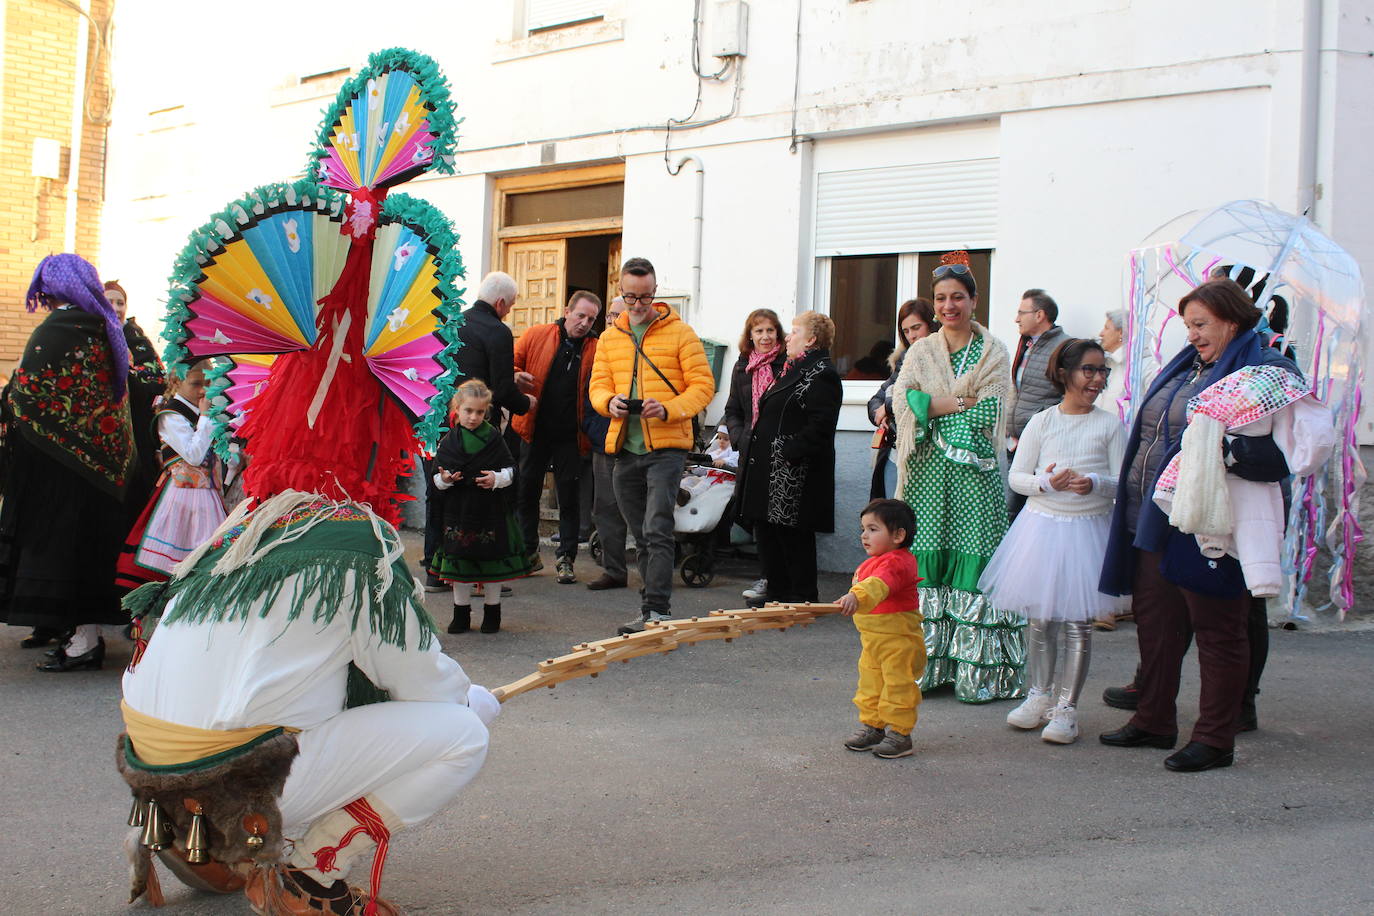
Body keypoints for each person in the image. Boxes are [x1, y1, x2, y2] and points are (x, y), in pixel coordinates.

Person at [1097, 279, 1330, 772]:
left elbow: (1291, 456)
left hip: (1212, 521)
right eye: (1188, 325)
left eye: (1201, 325)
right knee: (1157, 625)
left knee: (1219, 631)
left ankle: (1215, 737)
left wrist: (1228, 451)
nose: (1193, 335)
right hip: (1155, 514)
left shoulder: (1268, 373)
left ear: (1233, 320)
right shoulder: (1189, 366)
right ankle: (1154, 719)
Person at [891, 251, 1022, 703]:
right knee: (928, 561)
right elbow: (903, 400)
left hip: (974, 476)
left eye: (958, 298)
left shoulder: (994, 351)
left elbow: (995, 406)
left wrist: (936, 403)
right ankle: (925, 671)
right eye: (942, 299)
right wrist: (956, 402)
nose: (949, 306)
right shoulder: (920, 351)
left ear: (974, 300)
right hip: (927, 476)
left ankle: (977, 676)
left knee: (972, 558)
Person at [980, 339, 1125, 744]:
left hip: (1086, 530)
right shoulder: (1043, 422)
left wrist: (1094, 482)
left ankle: (1067, 708)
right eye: (1089, 371)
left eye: (1103, 372)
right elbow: (1016, 477)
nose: (1097, 379)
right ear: (1065, 374)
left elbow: (1121, 483)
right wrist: (1046, 482)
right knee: (1040, 619)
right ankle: (1038, 695)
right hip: (1042, 528)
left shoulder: (1109, 425)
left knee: (1078, 622)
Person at [0, 254, 135, 668]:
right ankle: (84, 637)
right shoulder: (104, 325)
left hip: (62, 471)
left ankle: (83, 643)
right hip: (104, 470)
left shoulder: (60, 327)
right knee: (90, 554)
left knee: (65, 554)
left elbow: (27, 393)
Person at [589, 257, 715, 633]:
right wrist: (607, 402)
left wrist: (668, 409)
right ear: (621, 294)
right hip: (625, 447)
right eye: (630, 297)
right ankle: (651, 609)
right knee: (641, 534)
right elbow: (597, 386)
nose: (638, 305)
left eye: (644, 297)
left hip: (666, 447)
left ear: (655, 292)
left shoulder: (681, 333)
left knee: (657, 527)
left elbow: (703, 387)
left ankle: (656, 610)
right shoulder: (610, 338)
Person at [431, 271, 535, 581]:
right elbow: (500, 389)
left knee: (442, 491)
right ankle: (484, 571)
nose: (509, 310)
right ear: (501, 302)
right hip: (479, 425)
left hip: (445, 421)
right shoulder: (498, 330)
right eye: (511, 305)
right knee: (485, 494)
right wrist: (525, 404)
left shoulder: (454, 322)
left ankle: (436, 570)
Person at [737, 310, 842, 605]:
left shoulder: (822, 373)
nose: (786, 337)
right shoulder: (793, 368)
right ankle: (778, 591)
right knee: (769, 533)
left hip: (793, 474)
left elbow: (821, 424)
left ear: (810, 339)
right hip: (772, 469)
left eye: (794, 331)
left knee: (793, 537)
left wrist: (788, 452)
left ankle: (801, 597)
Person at [428, 379, 532, 634]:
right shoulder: (449, 441)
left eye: (479, 412)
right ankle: (460, 614)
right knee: (459, 565)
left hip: (490, 512)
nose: (473, 417)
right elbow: (436, 479)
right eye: (468, 411)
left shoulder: (494, 438)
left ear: (486, 412)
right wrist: (445, 479)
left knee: (491, 565)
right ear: (457, 409)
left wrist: (496, 479)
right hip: (458, 513)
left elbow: (511, 469)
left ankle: (492, 612)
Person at [511, 291, 601, 585]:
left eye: (591, 318)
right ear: (567, 311)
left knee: (569, 498)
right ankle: (527, 553)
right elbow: (511, 364)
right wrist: (515, 376)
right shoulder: (536, 334)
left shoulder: (597, 348)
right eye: (580, 316)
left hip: (571, 436)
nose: (584, 322)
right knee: (527, 492)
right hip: (534, 429)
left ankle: (566, 558)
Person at [115, 363, 228, 590]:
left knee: (211, 559)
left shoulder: (204, 413)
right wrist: (206, 419)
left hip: (208, 497)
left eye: (208, 383)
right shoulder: (170, 415)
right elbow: (194, 456)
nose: (203, 390)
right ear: (177, 383)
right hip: (181, 496)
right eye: (196, 384)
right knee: (177, 562)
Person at [837, 498, 926, 760]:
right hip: (873, 641)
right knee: (870, 684)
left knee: (898, 686)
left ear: (899, 535)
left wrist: (857, 596)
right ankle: (873, 727)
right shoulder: (872, 561)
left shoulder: (899, 562)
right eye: (863, 529)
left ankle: (900, 733)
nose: (865, 536)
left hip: (898, 641)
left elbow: (878, 585)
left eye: (873, 529)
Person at [720, 308, 787, 603]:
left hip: (780, 452)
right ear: (750, 335)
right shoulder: (742, 366)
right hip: (752, 452)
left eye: (770, 331)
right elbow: (732, 409)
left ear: (778, 333)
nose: (765, 337)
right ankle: (766, 577)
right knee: (759, 518)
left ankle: (781, 580)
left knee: (779, 520)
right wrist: (739, 438)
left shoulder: (788, 364)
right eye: (758, 331)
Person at [106, 280, 168, 527]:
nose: (116, 307)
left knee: (135, 501)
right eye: (109, 301)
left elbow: (158, 378)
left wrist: (127, 374)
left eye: (120, 302)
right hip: (105, 436)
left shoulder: (135, 337)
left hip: (136, 432)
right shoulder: (89, 336)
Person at [582, 296, 631, 592]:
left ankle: (654, 576)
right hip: (605, 444)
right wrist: (595, 432)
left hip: (638, 444)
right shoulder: (604, 348)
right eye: (610, 316)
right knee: (605, 509)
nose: (611, 321)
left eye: (617, 316)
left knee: (642, 511)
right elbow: (593, 394)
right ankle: (614, 570)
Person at [868, 298, 937, 500]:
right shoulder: (904, 358)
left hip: (926, 452)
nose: (912, 335)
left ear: (931, 324)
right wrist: (879, 414)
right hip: (896, 450)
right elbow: (876, 399)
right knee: (891, 516)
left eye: (916, 327)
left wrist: (888, 406)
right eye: (906, 331)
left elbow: (927, 396)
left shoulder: (939, 356)